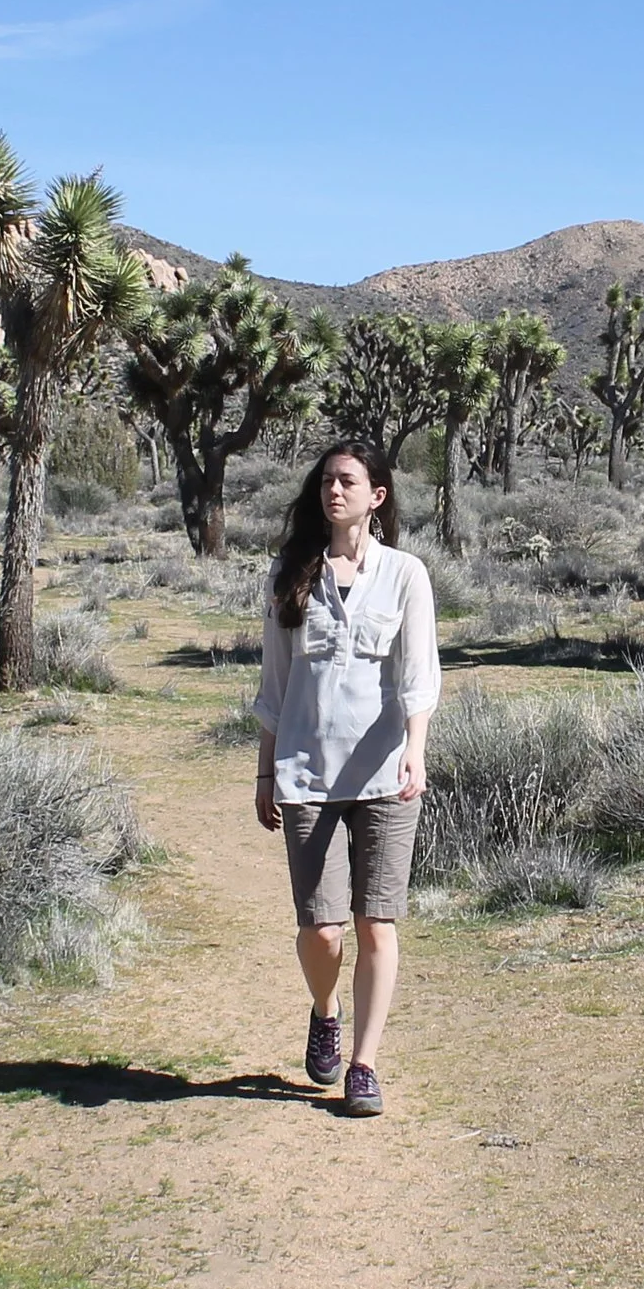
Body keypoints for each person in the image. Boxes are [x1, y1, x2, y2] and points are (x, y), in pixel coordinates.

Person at [251, 438, 440, 1116]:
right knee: (322, 928)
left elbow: (418, 676)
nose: (334, 490)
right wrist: (266, 767)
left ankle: (363, 1063)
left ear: (376, 496)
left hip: (386, 772)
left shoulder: (405, 575)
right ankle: (324, 1009)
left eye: (348, 481)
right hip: (306, 771)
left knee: (375, 923)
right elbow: (274, 683)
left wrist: (416, 750)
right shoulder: (290, 573)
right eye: (327, 480)